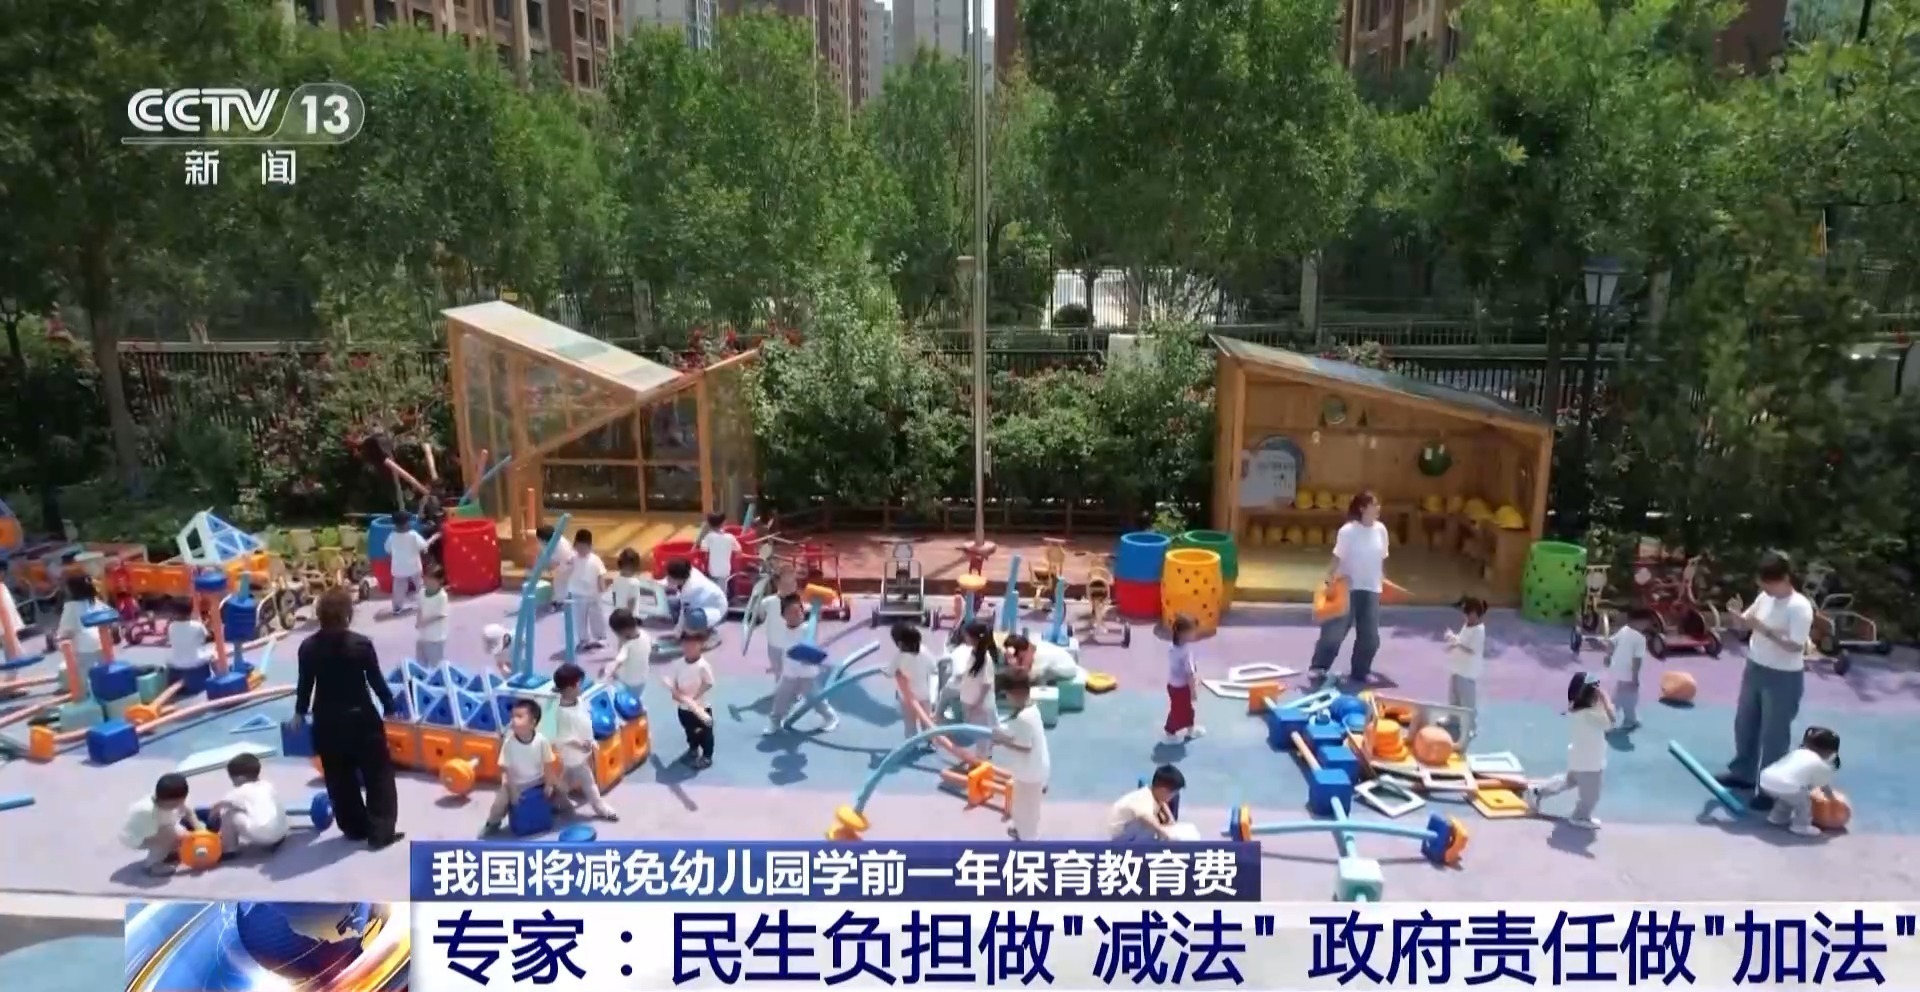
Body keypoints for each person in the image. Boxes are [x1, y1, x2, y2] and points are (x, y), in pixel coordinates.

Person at [293, 587, 403, 850]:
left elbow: (305, 685)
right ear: (347, 614)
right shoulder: (360, 644)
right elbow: (375, 680)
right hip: (361, 719)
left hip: (327, 721)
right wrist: (390, 706)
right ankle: (380, 832)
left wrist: (299, 712)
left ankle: (354, 828)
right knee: (378, 775)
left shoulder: (308, 648)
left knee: (339, 777)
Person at [1718, 555, 1815, 812]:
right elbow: (1746, 624)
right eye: (1763, 585)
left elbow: (1795, 646)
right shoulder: (1764, 598)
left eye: (1769, 584)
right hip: (1756, 666)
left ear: (1784, 579)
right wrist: (1736, 616)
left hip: (1783, 675)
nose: (1766, 589)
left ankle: (1771, 789)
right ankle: (1743, 772)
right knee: (1745, 723)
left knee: (1774, 735)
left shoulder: (1799, 607)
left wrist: (1763, 629)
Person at [1310, 492, 1391, 685]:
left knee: (1370, 636)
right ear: (1362, 508)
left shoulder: (1381, 530)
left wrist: (1383, 579)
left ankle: (1361, 671)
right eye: (1374, 504)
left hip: (1371, 588)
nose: (1378, 508)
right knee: (1334, 632)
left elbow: (1382, 558)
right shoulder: (1347, 531)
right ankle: (1319, 667)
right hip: (1347, 588)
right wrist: (1328, 581)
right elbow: (1336, 557)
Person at [1523, 673, 1614, 829]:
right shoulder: (1591, 715)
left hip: (1580, 758)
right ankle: (1580, 817)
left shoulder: (1577, 710)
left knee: (1568, 781)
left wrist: (1597, 697)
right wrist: (1606, 699)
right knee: (1591, 795)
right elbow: (1612, 721)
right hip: (1590, 763)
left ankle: (1537, 791)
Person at [483, 698, 561, 837]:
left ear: (532, 723)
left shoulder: (541, 740)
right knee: (500, 802)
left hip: (538, 779)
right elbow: (508, 770)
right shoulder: (509, 743)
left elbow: (548, 763)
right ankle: (493, 822)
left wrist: (549, 783)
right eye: (512, 716)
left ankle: (557, 807)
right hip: (516, 782)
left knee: (559, 787)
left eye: (519, 717)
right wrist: (513, 791)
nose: (513, 720)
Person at [550, 663, 619, 821]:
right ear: (570, 688)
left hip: (579, 752)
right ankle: (601, 808)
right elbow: (563, 737)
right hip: (574, 754)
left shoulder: (577, 700)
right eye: (579, 684)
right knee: (588, 782)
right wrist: (580, 744)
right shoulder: (563, 713)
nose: (581, 687)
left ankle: (558, 799)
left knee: (568, 778)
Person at [990, 669, 1050, 841]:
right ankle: (1021, 830)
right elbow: (1018, 732)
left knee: (1026, 812)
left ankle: (1029, 842)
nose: (1007, 699)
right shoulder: (1031, 709)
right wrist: (1003, 735)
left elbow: (1024, 746)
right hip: (1034, 769)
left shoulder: (1024, 717)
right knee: (1023, 807)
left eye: (1008, 695)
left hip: (1030, 773)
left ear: (1016, 693)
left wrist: (1002, 741)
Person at [764, 594, 832, 733]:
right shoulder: (782, 630)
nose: (795, 615)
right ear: (783, 616)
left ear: (803, 613)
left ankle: (830, 718)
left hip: (807, 674)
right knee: (781, 699)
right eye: (791, 612)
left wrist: (816, 612)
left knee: (815, 699)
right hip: (790, 674)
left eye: (798, 612)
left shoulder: (807, 628)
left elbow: (814, 625)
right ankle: (775, 723)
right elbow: (783, 650)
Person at [1758, 726, 1841, 837]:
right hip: (1786, 785)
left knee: (1788, 797)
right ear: (1830, 753)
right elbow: (1824, 786)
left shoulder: (1797, 753)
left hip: (1765, 780)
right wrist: (1833, 800)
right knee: (1804, 803)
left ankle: (1777, 817)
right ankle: (1801, 826)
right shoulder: (1820, 764)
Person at [121, 772, 202, 876]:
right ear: (162, 799)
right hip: (137, 836)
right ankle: (153, 864)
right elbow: (156, 836)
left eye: (181, 801)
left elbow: (188, 812)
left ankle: (169, 852)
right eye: (175, 804)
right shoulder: (147, 811)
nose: (179, 805)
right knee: (170, 836)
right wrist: (180, 837)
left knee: (178, 834)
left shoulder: (173, 799)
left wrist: (199, 829)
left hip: (162, 826)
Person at [210, 752, 289, 858]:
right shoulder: (267, 785)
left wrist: (211, 824)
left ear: (240, 778)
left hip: (265, 836)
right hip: (282, 831)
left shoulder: (237, 792)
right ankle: (276, 836)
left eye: (232, 778)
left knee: (227, 812)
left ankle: (229, 849)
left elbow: (217, 808)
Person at [665, 635, 716, 768]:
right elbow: (674, 682)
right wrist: (675, 692)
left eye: (693, 645)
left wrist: (695, 697)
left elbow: (709, 683)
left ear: (701, 646)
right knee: (689, 730)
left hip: (701, 707)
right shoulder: (678, 664)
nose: (689, 649)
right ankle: (693, 748)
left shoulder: (703, 666)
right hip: (683, 707)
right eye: (686, 645)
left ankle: (707, 756)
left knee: (705, 732)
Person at [950, 619, 1000, 758]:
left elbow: (986, 684)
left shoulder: (985, 658)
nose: (964, 638)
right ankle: (983, 756)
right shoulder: (974, 654)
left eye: (966, 635)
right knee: (979, 734)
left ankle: (982, 759)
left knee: (982, 735)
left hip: (978, 705)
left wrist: (977, 704)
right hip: (971, 701)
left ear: (974, 638)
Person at [1606, 607, 1657, 732]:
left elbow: (1611, 642)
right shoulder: (1640, 639)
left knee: (1623, 695)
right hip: (1628, 673)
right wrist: (1635, 677)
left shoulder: (1624, 630)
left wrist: (1608, 656)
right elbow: (1636, 660)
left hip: (1617, 668)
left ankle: (1630, 718)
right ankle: (1619, 720)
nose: (1647, 626)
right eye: (1647, 623)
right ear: (1641, 621)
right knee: (1627, 699)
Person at [1444, 597, 1489, 737]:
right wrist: (1453, 638)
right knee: (1454, 697)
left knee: (1467, 702)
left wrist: (1457, 643)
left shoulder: (1479, 630)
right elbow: (1462, 640)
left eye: (1469, 614)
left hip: (1468, 672)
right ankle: (1453, 720)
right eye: (1466, 614)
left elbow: (1472, 650)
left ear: (1476, 614)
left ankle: (1471, 727)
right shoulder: (1467, 625)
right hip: (1457, 668)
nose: (1467, 617)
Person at [887, 622, 936, 742]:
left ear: (899, 643)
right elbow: (933, 667)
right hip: (924, 694)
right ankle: (930, 742)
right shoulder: (925, 651)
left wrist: (885, 671)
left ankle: (911, 743)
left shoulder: (899, 656)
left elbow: (890, 672)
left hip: (907, 697)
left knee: (910, 723)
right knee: (926, 721)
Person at [1109, 765, 1186, 841]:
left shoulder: (1152, 794)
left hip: (1131, 833)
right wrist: (1168, 835)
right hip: (1121, 839)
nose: (1173, 796)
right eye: (1173, 793)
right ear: (1163, 789)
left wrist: (1171, 821)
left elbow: (1162, 803)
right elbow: (1145, 816)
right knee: (1154, 828)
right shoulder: (1143, 798)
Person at [385, 511, 436, 615]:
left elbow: (387, 549)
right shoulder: (413, 535)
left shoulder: (392, 536)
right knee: (419, 585)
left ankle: (397, 608)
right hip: (414, 567)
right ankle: (425, 603)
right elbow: (424, 546)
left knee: (398, 589)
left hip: (398, 568)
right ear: (406, 523)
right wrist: (433, 538)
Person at [664, 558, 726, 643]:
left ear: (678, 578)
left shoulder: (690, 588)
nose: (668, 579)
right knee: (672, 602)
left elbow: (683, 613)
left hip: (716, 609)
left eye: (670, 577)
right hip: (702, 603)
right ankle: (688, 631)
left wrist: (677, 634)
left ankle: (711, 634)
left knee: (691, 618)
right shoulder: (688, 571)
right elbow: (669, 582)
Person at [1163, 614, 1203, 745]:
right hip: (1181, 688)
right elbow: (1189, 674)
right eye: (1192, 631)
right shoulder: (1186, 652)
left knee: (1187, 710)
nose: (1195, 634)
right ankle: (1170, 732)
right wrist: (1193, 691)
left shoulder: (1172, 646)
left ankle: (1191, 731)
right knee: (1179, 711)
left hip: (1173, 685)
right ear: (1183, 634)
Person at [569, 530, 609, 652]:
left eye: (584, 547)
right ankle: (583, 639)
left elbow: (601, 574)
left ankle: (601, 637)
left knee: (597, 616)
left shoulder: (595, 559)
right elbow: (564, 569)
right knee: (579, 618)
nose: (581, 550)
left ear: (590, 546)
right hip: (577, 594)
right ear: (575, 545)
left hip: (593, 594)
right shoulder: (572, 558)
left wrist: (602, 587)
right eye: (579, 547)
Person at [602, 608, 656, 700]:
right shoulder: (645, 635)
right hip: (642, 679)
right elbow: (652, 646)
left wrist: (608, 673)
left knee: (623, 698)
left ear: (624, 632)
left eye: (618, 634)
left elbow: (618, 662)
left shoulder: (628, 646)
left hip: (628, 681)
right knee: (636, 698)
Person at [56, 574, 107, 665]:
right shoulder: (94, 601)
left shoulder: (70, 607)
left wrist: (59, 640)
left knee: (64, 665)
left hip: (85, 651)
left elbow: (65, 631)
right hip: (103, 646)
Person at [416, 565, 450, 665]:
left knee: (436, 664)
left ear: (440, 581)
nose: (427, 582)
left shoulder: (442, 596)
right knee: (421, 663)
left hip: (436, 638)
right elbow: (420, 608)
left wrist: (425, 622)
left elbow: (440, 614)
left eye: (431, 580)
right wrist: (419, 620)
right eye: (426, 578)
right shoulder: (422, 592)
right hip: (423, 636)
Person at [536, 525, 575, 614]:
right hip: (561, 564)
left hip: (566, 566)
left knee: (561, 584)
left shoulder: (562, 548)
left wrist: (549, 566)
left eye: (540, 539)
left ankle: (559, 603)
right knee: (560, 584)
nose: (539, 541)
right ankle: (560, 600)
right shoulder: (551, 538)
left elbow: (556, 563)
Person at [167, 600, 211, 676]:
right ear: (191, 612)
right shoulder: (198, 625)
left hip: (177, 664)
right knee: (213, 654)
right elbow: (207, 638)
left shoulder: (171, 626)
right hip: (196, 663)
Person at [697, 513, 742, 587]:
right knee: (722, 589)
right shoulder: (730, 537)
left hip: (712, 570)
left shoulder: (709, 537)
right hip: (725, 570)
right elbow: (739, 550)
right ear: (723, 523)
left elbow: (703, 550)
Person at [612, 549, 646, 616]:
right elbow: (631, 603)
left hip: (618, 615)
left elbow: (614, 599)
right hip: (629, 617)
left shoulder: (616, 580)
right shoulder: (635, 583)